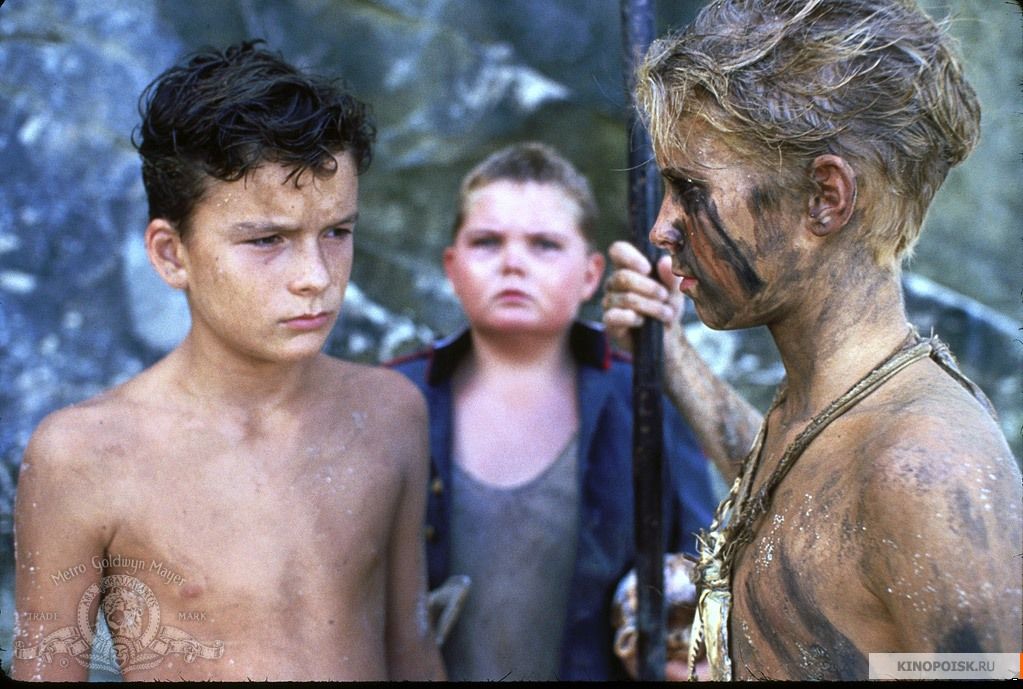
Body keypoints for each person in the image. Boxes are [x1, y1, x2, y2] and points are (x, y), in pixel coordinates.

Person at [601, 0, 1022, 681]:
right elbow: (804, 507)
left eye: (688, 188)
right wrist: (669, 355)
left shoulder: (927, 468)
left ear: (825, 197)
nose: (661, 227)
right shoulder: (827, 409)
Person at [12, 41, 445, 682]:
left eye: (336, 232)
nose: (315, 276)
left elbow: (412, 652)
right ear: (171, 254)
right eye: (267, 240)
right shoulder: (84, 457)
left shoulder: (390, 414)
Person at [387, 142, 717, 681]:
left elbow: (705, 567)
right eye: (487, 242)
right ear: (452, 266)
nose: (513, 263)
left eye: (544, 245)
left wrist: (684, 652)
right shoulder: (394, 398)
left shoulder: (647, 399)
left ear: (591, 274)